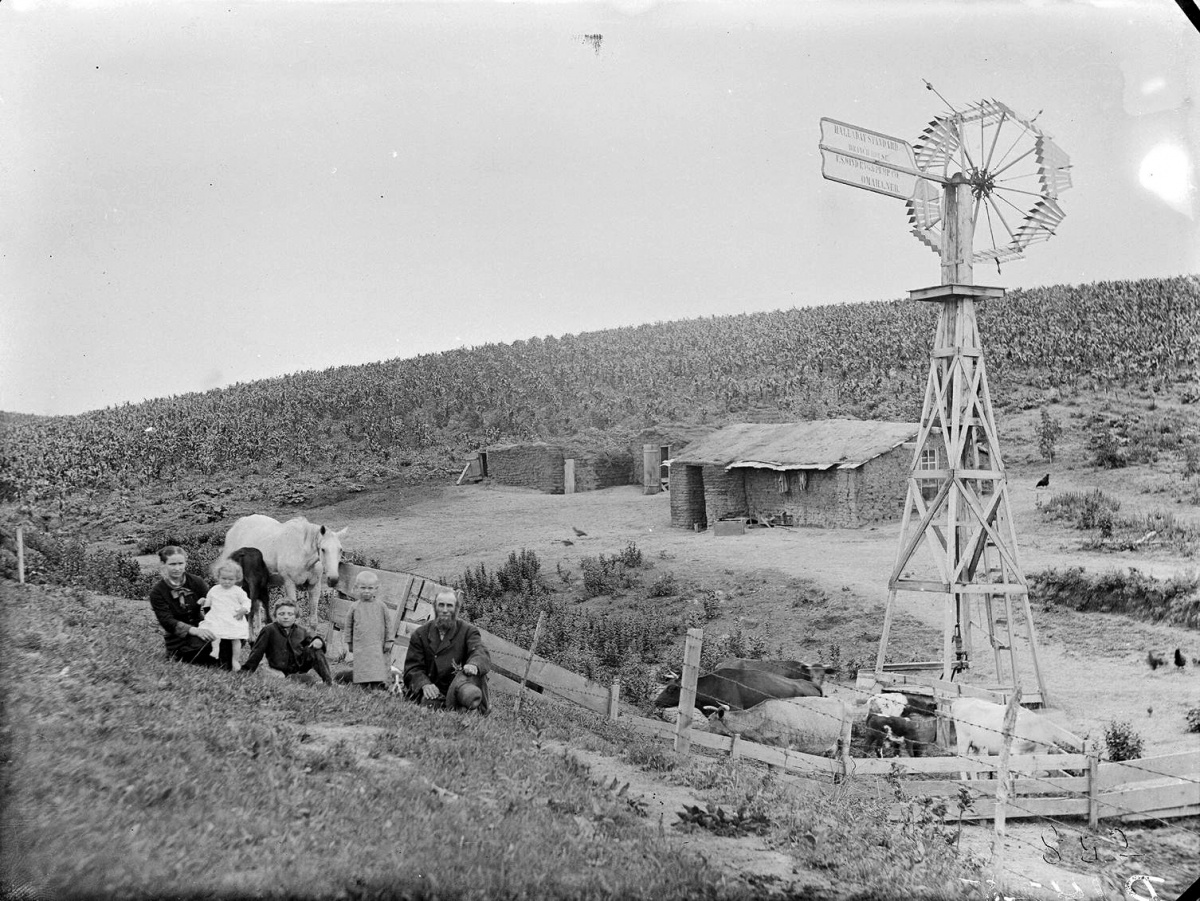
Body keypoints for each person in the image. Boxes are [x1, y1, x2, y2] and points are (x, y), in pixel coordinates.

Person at [403, 588, 490, 713]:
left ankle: (476, 711)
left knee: (470, 698)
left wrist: (474, 665)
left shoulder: (468, 631)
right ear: (435, 607)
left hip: (460, 689)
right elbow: (412, 668)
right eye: (441, 605)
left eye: (449, 606)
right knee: (426, 712)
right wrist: (424, 684)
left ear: (456, 608)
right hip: (433, 691)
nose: (445, 610)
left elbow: (479, 651)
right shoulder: (420, 634)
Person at [148, 545, 231, 669]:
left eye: (181, 563)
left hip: (203, 629)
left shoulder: (197, 582)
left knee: (234, 635)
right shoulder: (158, 591)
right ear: (163, 564)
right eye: (172, 564)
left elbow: (212, 606)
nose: (177, 568)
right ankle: (181, 656)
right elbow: (167, 621)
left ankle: (218, 659)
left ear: (186, 562)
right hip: (179, 640)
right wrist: (196, 631)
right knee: (205, 645)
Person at [241, 601, 333, 685]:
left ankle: (328, 682)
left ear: (295, 617)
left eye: (290, 614)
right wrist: (247, 670)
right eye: (281, 614)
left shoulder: (301, 631)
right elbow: (257, 651)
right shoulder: (269, 630)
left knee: (315, 649)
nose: (286, 617)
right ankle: (300, 679)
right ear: (275, 616)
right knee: (302, 680)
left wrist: (318, 640)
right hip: (279, 668)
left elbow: (312, 640)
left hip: (298, 667)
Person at [346, 571, 397, 689]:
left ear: (376, 589)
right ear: (356, 588)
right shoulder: (354, 607)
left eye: (370, 588)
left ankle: (379, 686)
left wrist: (389, 641)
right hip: (361, 644)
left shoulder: (381, 606)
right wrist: (349, 642)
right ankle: (362, 686)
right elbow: (348, 626)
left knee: (378, 666)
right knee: (362, 666)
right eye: (363, 588)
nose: (367, 591)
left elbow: (388, 624)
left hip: (377, 644)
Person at [199, 560, 252, 670]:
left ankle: (235, 660)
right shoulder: (214, 589)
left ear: (236, 579)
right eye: (224, 579)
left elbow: (247, 601)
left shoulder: (238, 591)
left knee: (236, 639)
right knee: (214, 632)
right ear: (218, 577)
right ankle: (215, 650)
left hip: (233, 618)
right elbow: (209, 601)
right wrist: (203, 601)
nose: (227, 582)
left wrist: (244, 609)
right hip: (218, 617)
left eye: (231, 579)